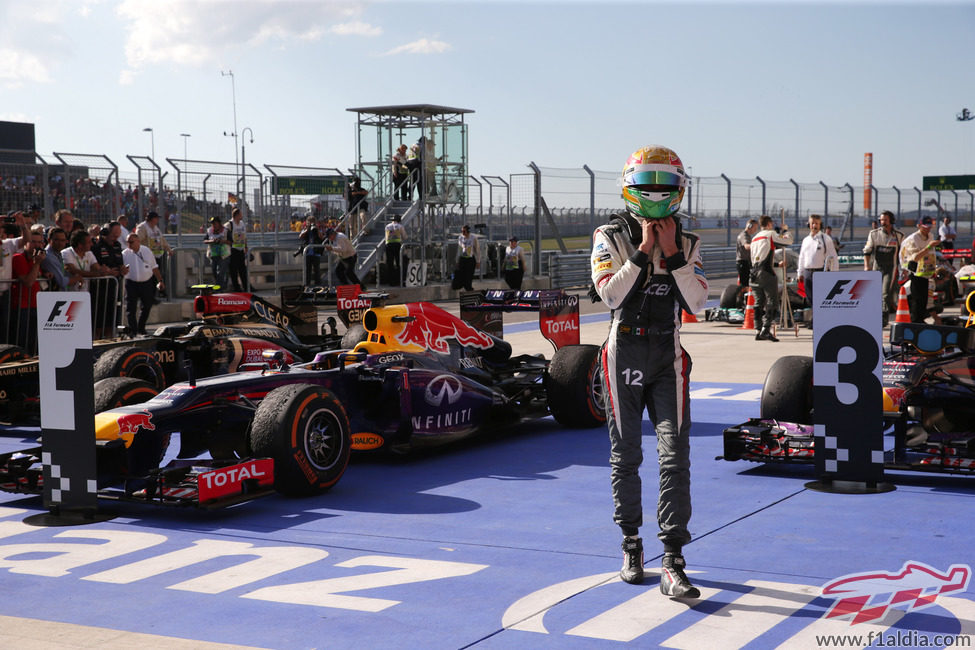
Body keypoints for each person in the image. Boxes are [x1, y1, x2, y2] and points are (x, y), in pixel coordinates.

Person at [590, 145, 707, 597]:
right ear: (631, 189)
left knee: (676, 457)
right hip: (623, 351)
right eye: (648, 186)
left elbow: (697, 303)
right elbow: (611, 297)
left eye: (666, 186)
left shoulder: (690, 242)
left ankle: (674, 558)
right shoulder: (609, 236)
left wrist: (674, 253)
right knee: (627, 456)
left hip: (669, 356)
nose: (657, 195)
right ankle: (631, 543)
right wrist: (642, 251)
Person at [749, 214, 793, 341]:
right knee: (772, 302)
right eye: (772, 225)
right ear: (769, 225)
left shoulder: (754, 238)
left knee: (758, 303)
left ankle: (758, 330)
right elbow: (788, 241)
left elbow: (757, 259)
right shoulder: (770, 234)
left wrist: (775, 264)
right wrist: (785, 230)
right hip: (766, 274)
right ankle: (766, 329)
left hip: (753, 274)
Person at [863, 210, 904, 323]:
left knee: (885, 293)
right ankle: (874, 314)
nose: (883, 222)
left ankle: (883, 317)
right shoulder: (874, 234)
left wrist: (903, 268)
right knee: (875, 292)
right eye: (881, 220)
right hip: (877, 268)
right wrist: (867, 266)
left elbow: (903, 254)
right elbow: (867, 251)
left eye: (885, 220)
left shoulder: (899, 236)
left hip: (891, 268)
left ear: (891, 220)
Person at [90, 221, 129, 338]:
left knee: (111, 321)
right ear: (106, 233)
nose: (115, 237)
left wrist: (122, 269)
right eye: (113, 234)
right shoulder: (96, 246)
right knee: (98, 322)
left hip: (114, 288)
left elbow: (119, 263)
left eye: (118, 235)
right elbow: (95, 266)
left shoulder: (117, 246)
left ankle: (109, 341)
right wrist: (106, 271)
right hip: (99, 290)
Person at [121, 232, 165, 336]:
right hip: (131, 283)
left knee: (146, 306)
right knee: (130, 308)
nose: (129, 245)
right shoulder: (125, 254)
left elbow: (154, 267)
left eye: (131, 242)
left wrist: (160, 281)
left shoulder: (146, 251)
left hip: (146, 282)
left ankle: (141, 327)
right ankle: (133, 329)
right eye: (127, 242)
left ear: (138, 241)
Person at [10, 230, 47, 351]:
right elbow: (28, 282)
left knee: (35, 341)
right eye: (33, 242)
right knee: (23, 341)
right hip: (22, 307)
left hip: (37, 305)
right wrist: (37, 264)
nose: (37, 245)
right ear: (26, 243)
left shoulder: (37, 259)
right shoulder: (18, 258)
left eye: (40, 242)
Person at [899, 215, 938, 323]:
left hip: (926, 272)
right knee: (917, 298)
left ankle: (920, 320)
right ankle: (915, 321)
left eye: (930, 226)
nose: (928, 229)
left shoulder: (930, 236)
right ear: (919, 226)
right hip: (914, 271)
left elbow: (931, 253)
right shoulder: (913, 239)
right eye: (925, 226)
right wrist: (929, 247)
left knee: (924, 299)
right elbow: (915, 258)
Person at [796, 214, 838, 314]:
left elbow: (833, 257)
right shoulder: (806, 240)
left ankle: (818, 320)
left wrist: (835, 274)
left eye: (816, 223)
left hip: (820, 272)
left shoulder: (825, 239)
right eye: (812, 223)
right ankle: (814, 320)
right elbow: (802, 257)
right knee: (810, 299)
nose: (814, 225)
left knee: (820, 299)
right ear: (808, 224)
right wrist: (800, 273)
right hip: (807, 272)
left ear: (820, 225)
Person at [40, 226, 82, 291]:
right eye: (56, 240)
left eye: (63, 240)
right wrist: (77, 278)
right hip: (51, 297)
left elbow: (63, 274)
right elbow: (62, 281)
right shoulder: (48, 257)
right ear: (49, 240)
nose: (60, 243)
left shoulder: (58, 254)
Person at [203, 216, 231, 289]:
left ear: (219, 223)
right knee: (214, 271)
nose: (213, 225)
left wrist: (222, 241)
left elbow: (231, 242)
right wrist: (212, 241)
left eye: (215, 223)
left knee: (221, 272)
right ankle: (222, 286)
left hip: (224, 255)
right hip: (213, 254)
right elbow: (205, 240)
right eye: (212, 224)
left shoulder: (226, 230)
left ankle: (218, 288)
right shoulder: (209, 231)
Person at [226, 207, 249, 292]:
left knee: (243, 269)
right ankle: (236, 287)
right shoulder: (230, 224)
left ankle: (246, 286)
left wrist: (246, 246)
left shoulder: (242, 223)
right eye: (240, 214)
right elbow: (225, 234)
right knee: (233, 270)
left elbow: (244, 236)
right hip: (233, 250)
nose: (242, 215)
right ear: (236, 215)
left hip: (240, 249)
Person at [297, 215, 324, 287]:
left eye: (313, 222)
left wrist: (317, 229)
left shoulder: (317, 229)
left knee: (317, 271)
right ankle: (307, 286)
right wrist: (307, 229)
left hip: (316, 253)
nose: (312, 224)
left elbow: (322, 237)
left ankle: (318, 286)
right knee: (307, 271)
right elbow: (300, 236)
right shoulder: (305, 229)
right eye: (310, 222)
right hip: (307, 253)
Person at [735, 219, 758, 298]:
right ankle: (740, 300)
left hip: (745, 262)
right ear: (749, 226)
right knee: (744, 285)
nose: (755, 231)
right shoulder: (744, 235)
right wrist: (758, 246)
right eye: (755, 228)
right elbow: (747, 246)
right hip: (743, 262)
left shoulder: (746, 235)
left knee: (746, 283)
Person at [384, 213, 406, 286]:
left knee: (390, 263)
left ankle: (391, 281)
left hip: (388, 245)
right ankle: (399, 280)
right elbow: (404, 236)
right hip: (397, 245)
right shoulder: (400, 226)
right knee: (398, 263)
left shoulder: (387, 226)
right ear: (399, 220)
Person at [454, 224, 479, 291]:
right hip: (462, 259)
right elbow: (459, 249)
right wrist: (457, 260)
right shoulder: (460, 238)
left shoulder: (473, 238)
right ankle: (467, 288)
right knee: (462, 275)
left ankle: (469, 289)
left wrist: (478, 261)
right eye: (462, 231)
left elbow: (477, 250)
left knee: (469, 276)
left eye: (464, 231)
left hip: (470, 259)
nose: (463, 233)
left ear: (468, 231)